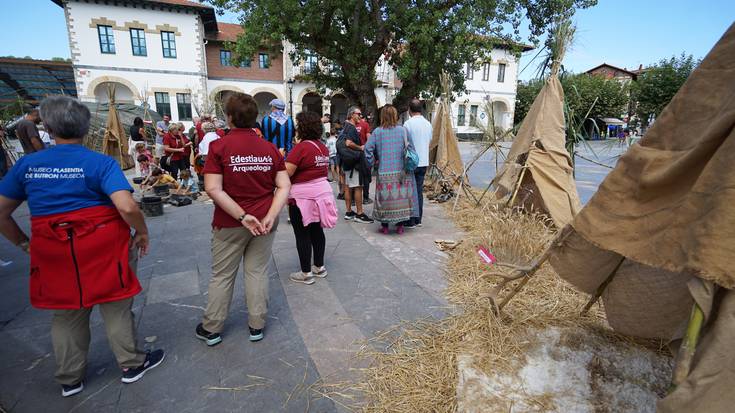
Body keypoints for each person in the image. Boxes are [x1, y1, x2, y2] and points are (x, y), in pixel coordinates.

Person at [0, 96, 164, 398]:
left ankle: (70, 377)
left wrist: (24, 243)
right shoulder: (99, 163)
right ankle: (131, 364)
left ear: (48, 127)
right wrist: (141, 232)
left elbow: (1, 211)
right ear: (86, 127)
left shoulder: (28, 165)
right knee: (116, 304)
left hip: (53, 249)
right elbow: (127, 207)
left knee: (67, 312)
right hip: (103, 248)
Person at [196, 92, 290, 346]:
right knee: (257, 272)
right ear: (254, 118)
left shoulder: (219, 146)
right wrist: (270, 215)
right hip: (264, 221)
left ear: (228, 118)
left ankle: (212, 328)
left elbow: (213, 189)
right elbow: (284, 185)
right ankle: (256, 325)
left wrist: (242, 215)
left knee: (222, 275)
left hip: (230, 222)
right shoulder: (269, 148)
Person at [285, 111, 338, 285]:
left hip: (302, 197)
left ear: (303, 127)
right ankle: (319, 267)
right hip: (320, 194)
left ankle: (306, 273)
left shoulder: (301, 148)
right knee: (317, 230)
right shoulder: (321, 146)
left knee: (302, 234)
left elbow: (287, 172)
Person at [365, 104, 416, 235]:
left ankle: (385, 227)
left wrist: (372, 162)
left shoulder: (377, 132)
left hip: (384, 172)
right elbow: (411, 149)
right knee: (400, 200)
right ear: (395, 116)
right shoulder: (403, 131)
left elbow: (367, 149)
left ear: (382, 116)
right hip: (401, 172)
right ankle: (400, 227)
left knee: (385, 200)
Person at [402, 99, 432, 227]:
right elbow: (429, 141)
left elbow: (404, 143)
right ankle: (418, 219)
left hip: (411, 162)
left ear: (410, 109)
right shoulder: (428, 124)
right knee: (418, 190)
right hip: (424, 161)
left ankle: (410, 220)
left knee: (409, 190)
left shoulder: (408, 124)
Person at [341, 106, 373, 223]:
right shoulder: (351, 128)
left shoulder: (345, 126)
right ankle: (359, 214)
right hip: (354, 162)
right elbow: (348, 143)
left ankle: (349, 212)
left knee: (348, 187)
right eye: (358, 114)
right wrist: (360, 147)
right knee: (358, 187)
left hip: (346, 162)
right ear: (351, 115)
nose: (360, 116)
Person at [356, 111, 373, 204]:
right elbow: (369, 140)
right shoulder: (365, 125)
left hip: (353, 154)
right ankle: (365, 198)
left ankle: (354, 200)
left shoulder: (351, 125)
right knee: (366, 177)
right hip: (364, 154)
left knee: (355, 177)